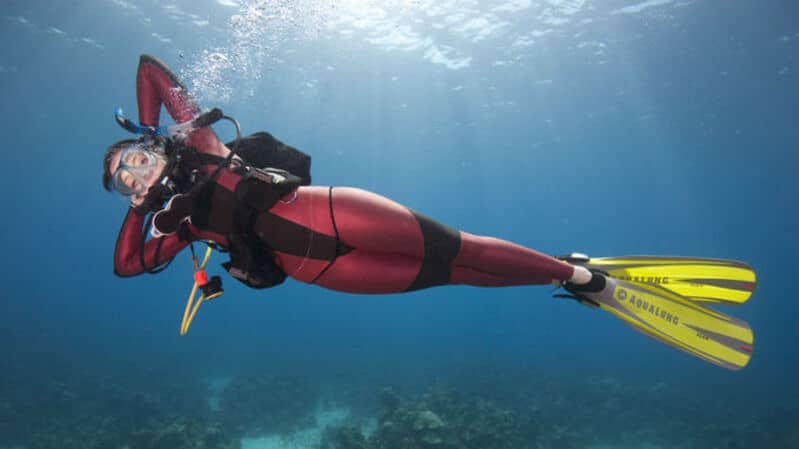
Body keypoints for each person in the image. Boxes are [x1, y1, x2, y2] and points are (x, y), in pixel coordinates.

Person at [103, 55, 756, 370]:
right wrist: (139, 208)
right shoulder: (174, 224)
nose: (132, 171)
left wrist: (157, 133)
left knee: (462, 247)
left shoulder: (196, 140)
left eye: (129, 157)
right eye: (121, 179)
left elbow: (149, 69)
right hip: (319, 269)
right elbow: (126, 267)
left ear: (143, 143)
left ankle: (586, 277)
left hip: (334, 213)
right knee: (453, 274)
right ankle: (564, 277)